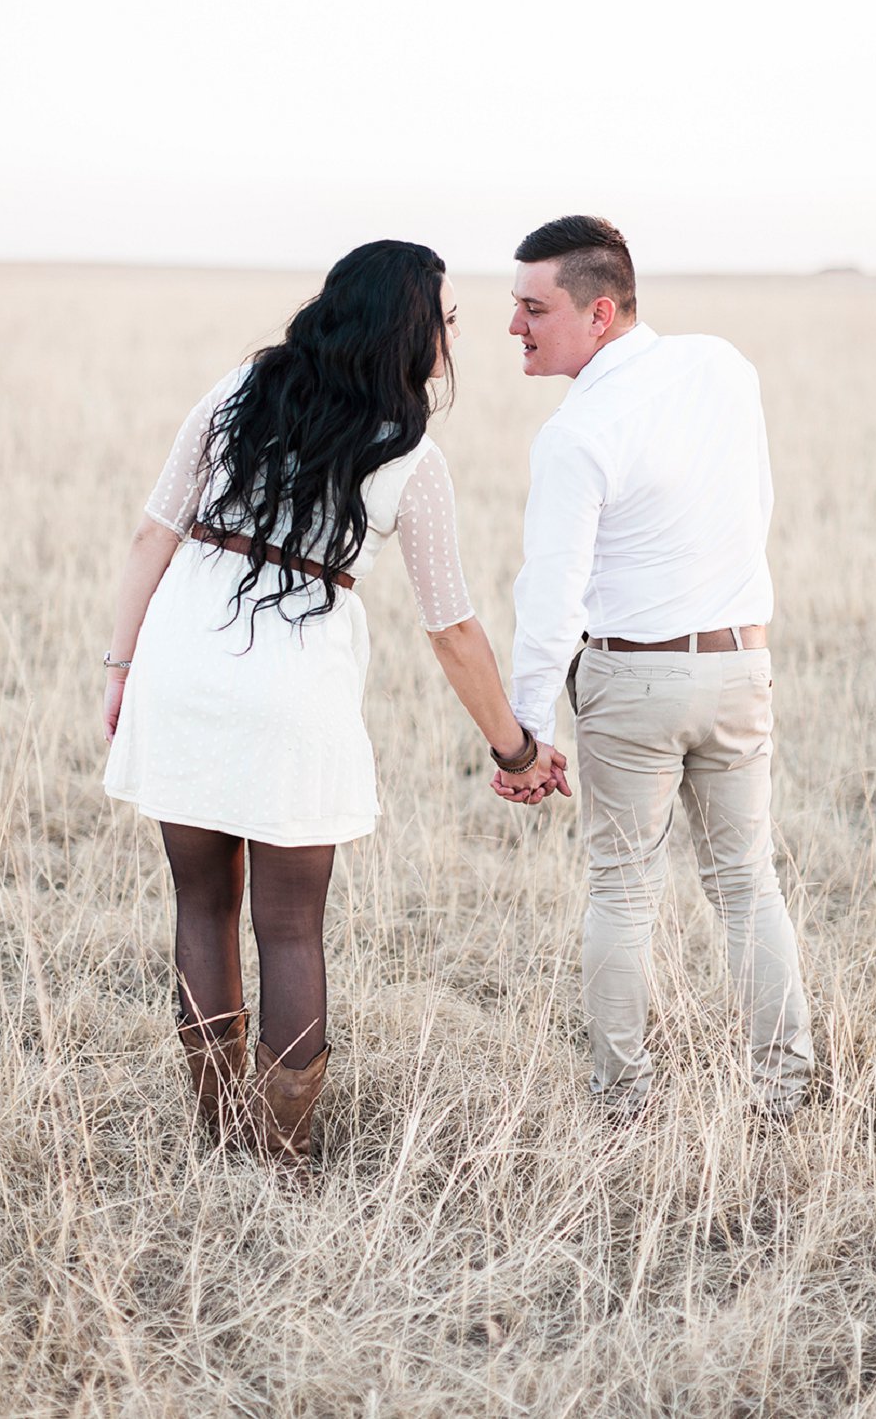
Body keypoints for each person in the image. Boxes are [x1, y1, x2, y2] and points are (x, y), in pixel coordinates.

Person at [103, 240, 568, 1169]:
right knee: (289, 927)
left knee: (200, 904)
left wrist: (120, 665)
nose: (455, 335)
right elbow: (454, 630)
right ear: (405, 330)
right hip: (289, 697)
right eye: (445, 317)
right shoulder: (409, 457)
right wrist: (516, 748)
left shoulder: (238, 394)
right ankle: (279, 1153)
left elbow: (155, 531)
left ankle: (218, 1130)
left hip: (181, 667)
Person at [494, 215, 813, 1121]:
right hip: (742, 664)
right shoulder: (725, 366)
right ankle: (784, 1087)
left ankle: (623, 1098)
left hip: (633, 681)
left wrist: (525, 735)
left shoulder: (575, 434)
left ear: (600, 313)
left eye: (532, 309)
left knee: (623, 891)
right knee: (748, 883)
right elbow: (756, 502)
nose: (514, 327)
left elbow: (549, 595)